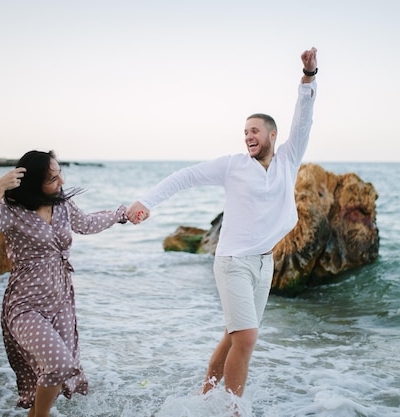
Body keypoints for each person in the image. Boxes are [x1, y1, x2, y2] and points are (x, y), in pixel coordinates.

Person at [126, 48, 319, 397]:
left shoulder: (288, 161)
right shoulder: (232, 165)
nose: (248, 136)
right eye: (245, 131)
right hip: (232, 262)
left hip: (264, 263)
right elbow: (186, 176)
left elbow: (303, 120)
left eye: (255, 130)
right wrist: (146, 201)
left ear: (272, 135)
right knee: (246, 338)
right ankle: (233, 409)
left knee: (234, 336)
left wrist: (308, 77)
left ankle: (207, 396)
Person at [0, 150, 128, 417]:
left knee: (62, 369)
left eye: (60, 173)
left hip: (61, 301)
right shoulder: (12, 210)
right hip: (26, 305)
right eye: (52, 178)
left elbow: (86, 224)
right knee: (58, 364)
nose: (61, 182)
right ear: (32, 183)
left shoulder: (61, 205)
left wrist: (121, 214)